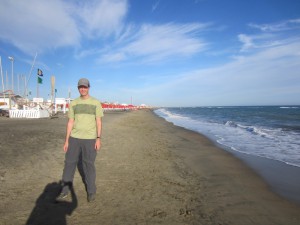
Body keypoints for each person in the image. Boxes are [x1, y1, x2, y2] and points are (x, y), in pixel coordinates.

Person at [57, 78, 103, 202]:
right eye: (81, 87)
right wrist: (66, 140)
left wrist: (98, 139)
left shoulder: (96, 103)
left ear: (89, 87)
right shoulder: (74, 103)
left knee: (89, 165)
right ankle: (64, 191)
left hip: (90, 139)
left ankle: (91, 191)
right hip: (74, 139)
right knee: (69, 164)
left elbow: (98, 122)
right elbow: (70, 122)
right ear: (78, 88)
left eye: (85, 87)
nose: (83, 89)